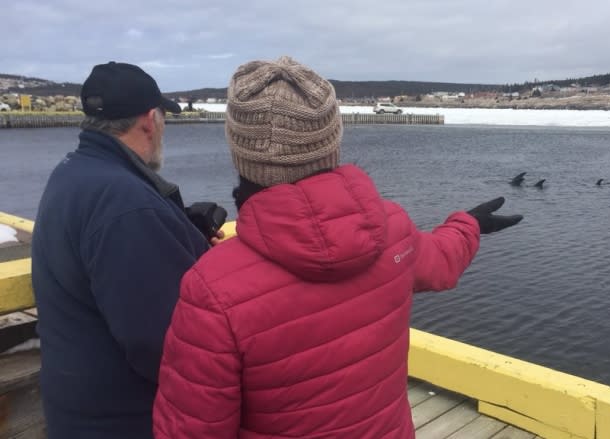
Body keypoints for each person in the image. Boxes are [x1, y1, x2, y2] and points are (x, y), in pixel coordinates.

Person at [153, 56, 522, 439]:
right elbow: (441, 260)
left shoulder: (212, 287)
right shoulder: (392, 230)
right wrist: (469, 224)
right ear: (331, 142)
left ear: (240, 152)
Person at [31, 61, 223, 439]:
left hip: (79, 412)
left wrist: (179, 229)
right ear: (150, 120)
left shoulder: (74, 172)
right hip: (126, 421)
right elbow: (165, 343)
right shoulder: (126, 205)